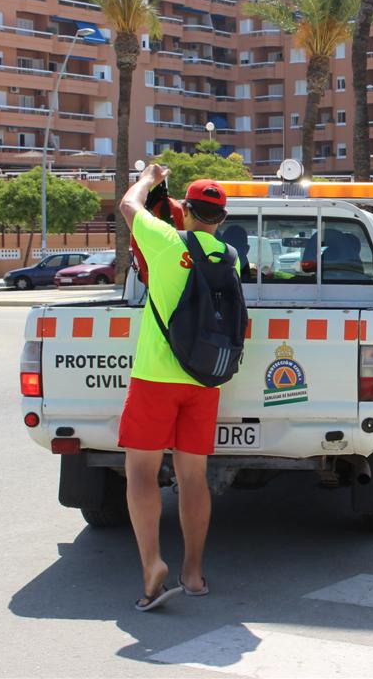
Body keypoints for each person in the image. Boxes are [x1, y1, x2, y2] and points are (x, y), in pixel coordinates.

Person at [117, 165, 231, 611]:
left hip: (156, 377)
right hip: (203, 380)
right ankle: (194, 572)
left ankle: (151, 566)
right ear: (221, 218)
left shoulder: (165, 243)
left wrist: (148, 178)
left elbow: (129, 206)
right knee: (193, 478)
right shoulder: (228, 256)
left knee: (142, 473)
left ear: (185, 211)